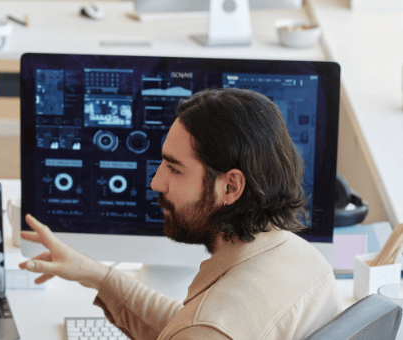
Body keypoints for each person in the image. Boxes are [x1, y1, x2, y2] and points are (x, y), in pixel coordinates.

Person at [20, 88, 342, 340]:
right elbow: (186, 326)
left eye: (174, 169)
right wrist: (95, 274)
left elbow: (198, 329)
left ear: (230, 187)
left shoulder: (207, 329)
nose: (156, 181)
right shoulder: (306, 260)